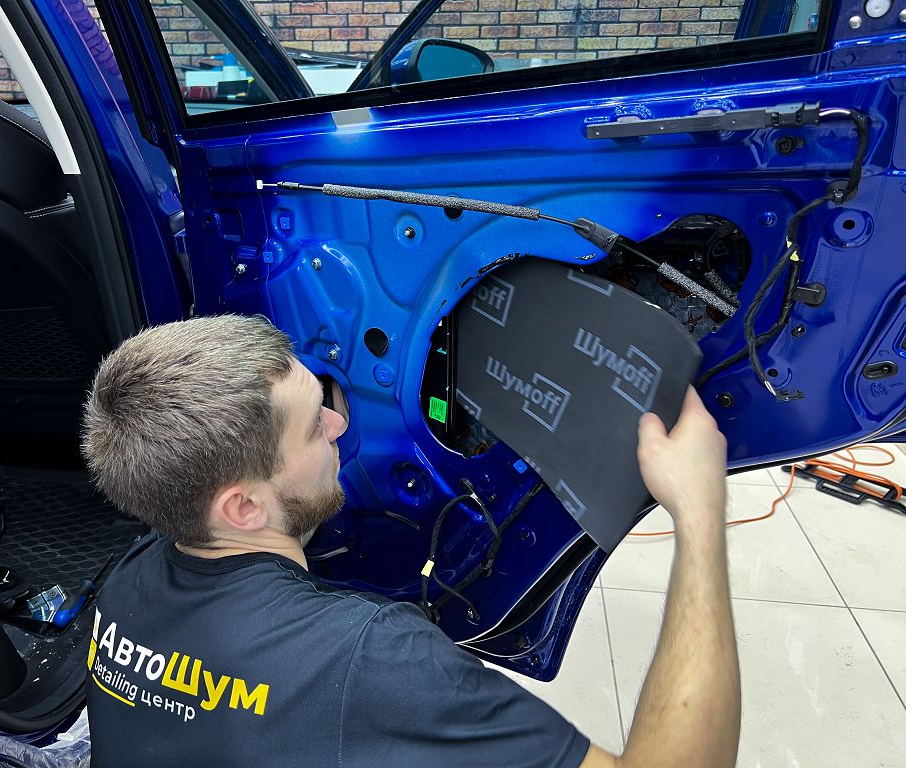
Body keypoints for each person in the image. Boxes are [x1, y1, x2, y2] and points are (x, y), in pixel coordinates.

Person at [82, 314, 740, 768]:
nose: (339, 424)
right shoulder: (372, 658)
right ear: (244, 507)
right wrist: (698, 511)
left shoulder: (124, 583)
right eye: (313, 427)